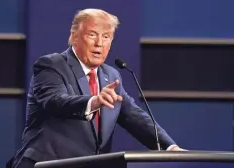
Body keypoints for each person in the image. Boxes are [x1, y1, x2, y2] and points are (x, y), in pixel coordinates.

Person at [11, 8, 185, 168]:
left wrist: (170, 147)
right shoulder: (51, 65)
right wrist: (93, 102)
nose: (99, 43)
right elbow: (55, 101)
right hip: (46, 164)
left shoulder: (111, 76)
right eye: (92, 35)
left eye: (106, 36)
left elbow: (134, 117)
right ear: (74, 37)